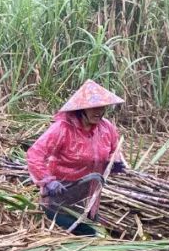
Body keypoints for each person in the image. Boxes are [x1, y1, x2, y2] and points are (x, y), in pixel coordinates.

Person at [26, 79, 127, 237]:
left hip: (89, 198)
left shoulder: (106, 128)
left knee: (93, 236)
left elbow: (115, 150)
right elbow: (34, 154)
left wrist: (116, 163)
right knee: (87, 238)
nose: (98, 112)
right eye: (93, 108)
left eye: (102, 107)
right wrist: (47, 180)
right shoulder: (63, 129)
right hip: (60, 197)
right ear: (80, 109)